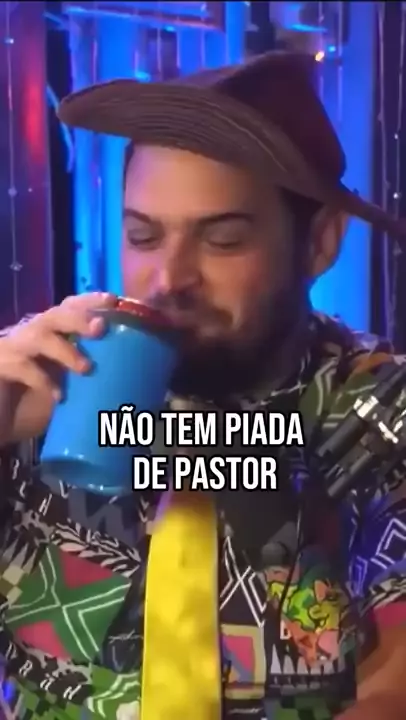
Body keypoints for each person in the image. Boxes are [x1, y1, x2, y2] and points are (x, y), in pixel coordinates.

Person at [0, 50, 405, 720]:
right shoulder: (43, 381)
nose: (169, 280)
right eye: (143, 236)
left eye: (222, 241)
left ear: (319, 244)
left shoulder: (377, 411)